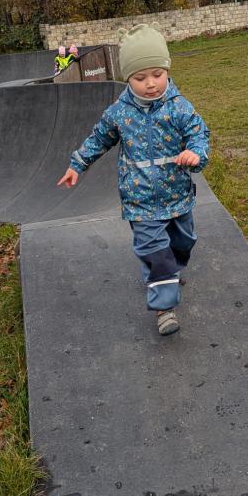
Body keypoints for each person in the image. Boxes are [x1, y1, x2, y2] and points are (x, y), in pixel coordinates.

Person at [57, 24, 209, 336]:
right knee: (155, 252)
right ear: (128, 78)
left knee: (183, 243)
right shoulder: (119, 113)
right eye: (140, 78)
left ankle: (171, 268)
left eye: (157, 74)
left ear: (167, 71)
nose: (151, 84)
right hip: (139, 200)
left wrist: (195, 153)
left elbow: (199, 133)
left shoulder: (179, 107)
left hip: (177, 196)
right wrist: (77, 164)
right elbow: (99, 139)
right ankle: (164, 307)